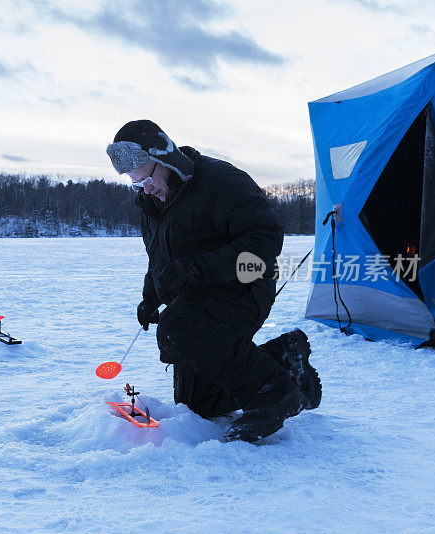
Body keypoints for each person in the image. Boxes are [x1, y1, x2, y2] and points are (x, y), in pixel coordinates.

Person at [106, 119, 321, 442]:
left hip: (244, 286)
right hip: (196, 298)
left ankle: (272, 392)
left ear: (164, 157)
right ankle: (285, 362)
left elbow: (265, 241)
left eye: (147, 178)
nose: (146, 189)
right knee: (199, 403)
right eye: (137, 184)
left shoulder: (219, 181)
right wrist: (150, 296)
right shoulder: (151, 203)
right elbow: (158, 259)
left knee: (177, 328)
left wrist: (199, 268)